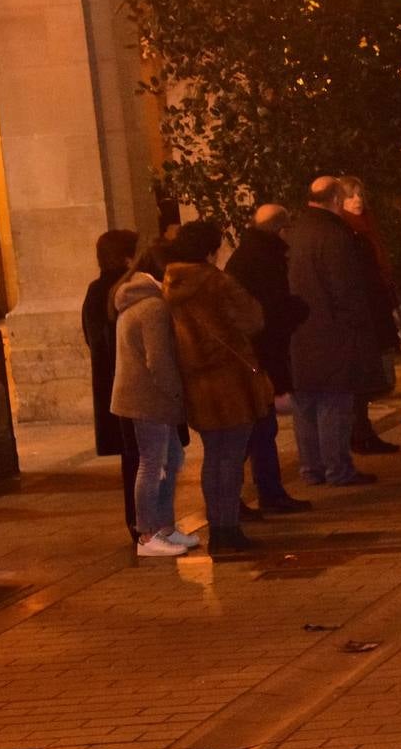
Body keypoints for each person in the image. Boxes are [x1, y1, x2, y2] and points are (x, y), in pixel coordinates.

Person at [163, 221, 272, 555]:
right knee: (231, 457)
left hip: (199, 384)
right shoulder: (216, 282)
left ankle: (220, 527)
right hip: (230, 381)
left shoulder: (171, 283)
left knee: (215, 457)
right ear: (211, 250)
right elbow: (252, 318)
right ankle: (228, 530)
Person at [286, 176, 380, 486]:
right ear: (337, 200)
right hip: (332, 333)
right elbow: (346, 289)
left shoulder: (294, 232)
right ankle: (337, 468)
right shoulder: (336, 235)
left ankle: (311, 468)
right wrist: (357, 325)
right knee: (334, 403)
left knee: (305, 404)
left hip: (298, 333)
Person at [225, 205, 313, 516]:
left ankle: (262, 493)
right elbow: (270, 314)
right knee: (257, 430)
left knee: (258, 429)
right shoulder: (265, 259)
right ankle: (260, 494)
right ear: (281, 230)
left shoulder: (246, 255)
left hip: (254, 356)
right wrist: (297, 310)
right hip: (258, 357)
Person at [110, 240, 195, 557]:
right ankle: (148, 535)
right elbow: (158, 359)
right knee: (153, 464)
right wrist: (177, 392)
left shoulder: (141, 299)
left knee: (170, 460)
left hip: (145, 395)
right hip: (148, 397)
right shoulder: (153, 306)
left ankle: (164, 528)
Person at [83, 228, 140, 541]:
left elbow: (93, 340)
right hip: (131, 384)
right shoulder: (126, 289)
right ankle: (143, 522)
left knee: (135, 457)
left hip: (114, 385)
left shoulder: (96, 290)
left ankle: (140, 521)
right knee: (142, 456)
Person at [340, 176, 401, 456]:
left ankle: (362, 431)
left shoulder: (367, 228)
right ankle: (358, 433)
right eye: (350, 195)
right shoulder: (347, 232)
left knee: (371, 377)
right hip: (364, 316)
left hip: (374, 312)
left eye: (360, 195)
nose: (357, 200)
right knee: (362, 379)